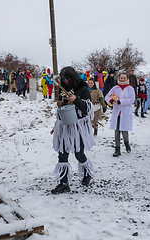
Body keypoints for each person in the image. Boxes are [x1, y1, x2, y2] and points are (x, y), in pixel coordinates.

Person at [50, 66, 95, 194]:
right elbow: (61, 108)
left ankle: (86, 173)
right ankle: (64, 183)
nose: (66, 81)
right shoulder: (63, 89)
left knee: (79, 153)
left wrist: (76, 100)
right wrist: (56, 125)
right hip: (64, 126)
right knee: (62, 153)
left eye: (68, 79)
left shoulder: (83, 88)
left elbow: (87, 108)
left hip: (78, 126)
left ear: (73, 77)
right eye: (64, 79)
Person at [105, 73, 136, 157]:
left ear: (127, 79)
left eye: (124, 78)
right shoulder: (115, 88)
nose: (122, 79)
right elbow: (107, 96)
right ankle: (117, 148)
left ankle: (126, 143)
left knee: (124, 130)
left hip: (125, 112)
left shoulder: (130, 88)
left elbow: (132, 99)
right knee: (117, 130)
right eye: (121, 78)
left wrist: (120, 101)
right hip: (117, 112)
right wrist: (111, 101)